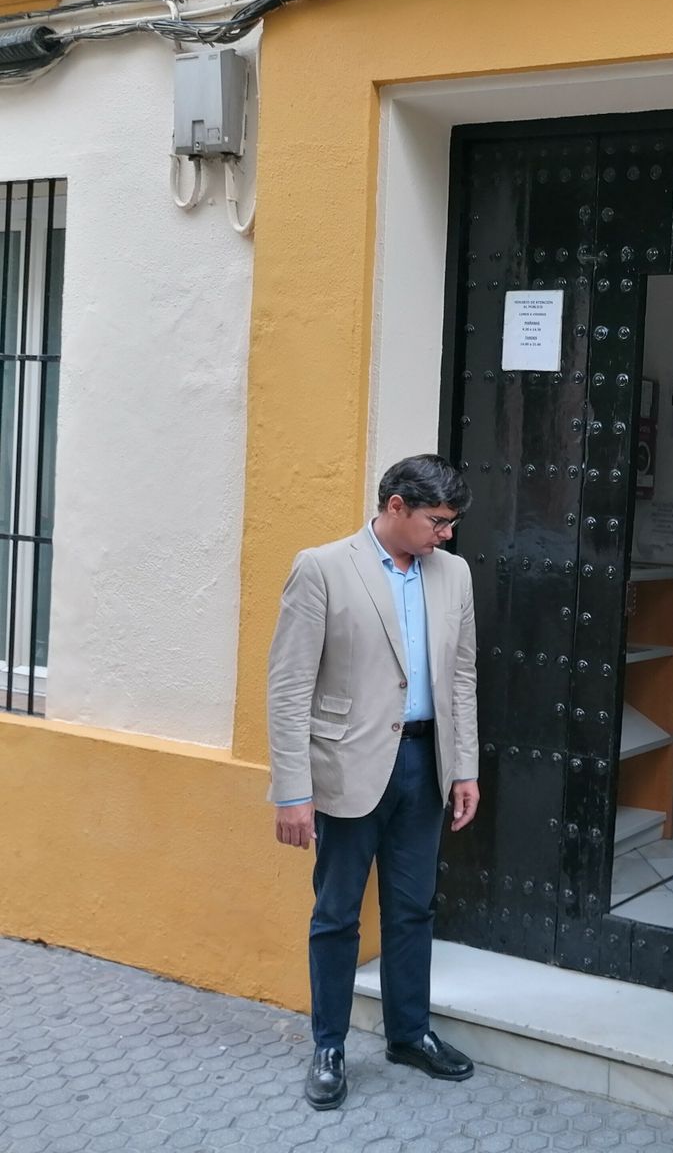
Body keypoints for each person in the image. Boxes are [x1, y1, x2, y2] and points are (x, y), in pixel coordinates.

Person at [267, 454, 483, 1110]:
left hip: (425, 766)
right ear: (395, 507)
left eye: (449, 523)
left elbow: (463, 678)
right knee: (337, 914)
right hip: (346, 770)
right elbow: (288, 686)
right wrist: (292, 790)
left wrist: (466, 766)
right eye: (436, 521)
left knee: (413, 908)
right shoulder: (324, 567)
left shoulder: (455, 574)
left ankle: (408, 1033)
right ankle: (329, 1047)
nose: (445, 534)